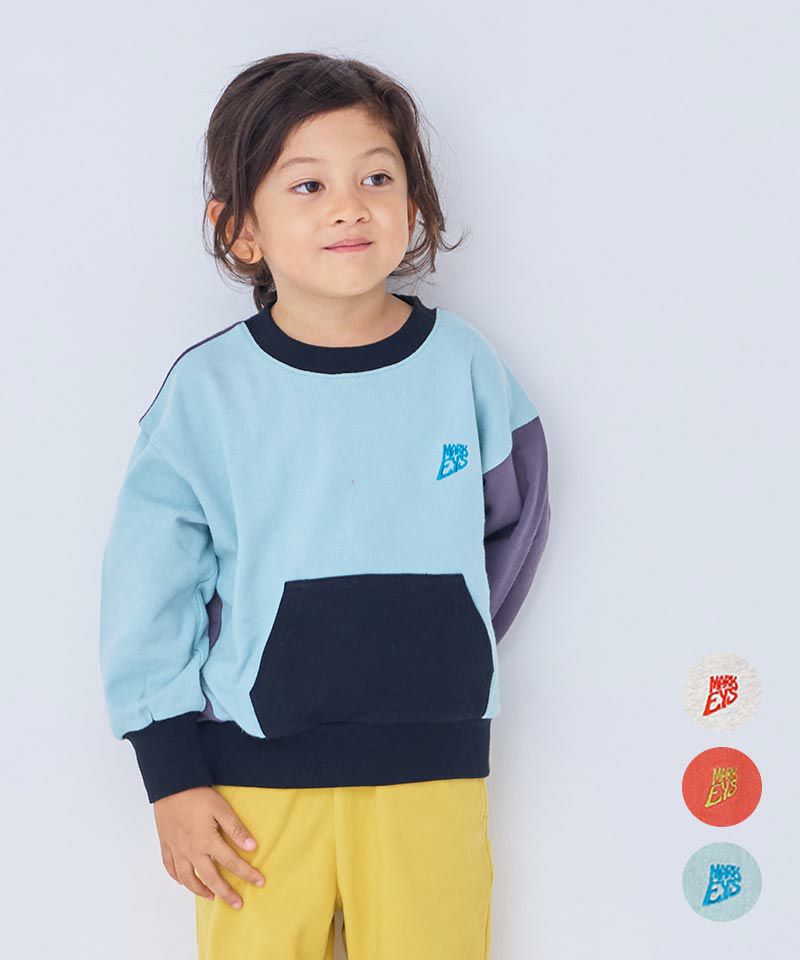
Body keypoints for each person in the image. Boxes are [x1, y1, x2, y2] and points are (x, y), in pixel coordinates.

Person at [98, 51, 551, 960]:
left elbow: (514, 523)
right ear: (240, 230)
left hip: (432, 770)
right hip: (252, 783)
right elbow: (149, 584)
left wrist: (444, 636)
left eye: (377, 177)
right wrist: (170, 773)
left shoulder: (464, 367)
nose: (350, 206)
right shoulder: (208, 394)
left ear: (414, 205)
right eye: (308, 185)